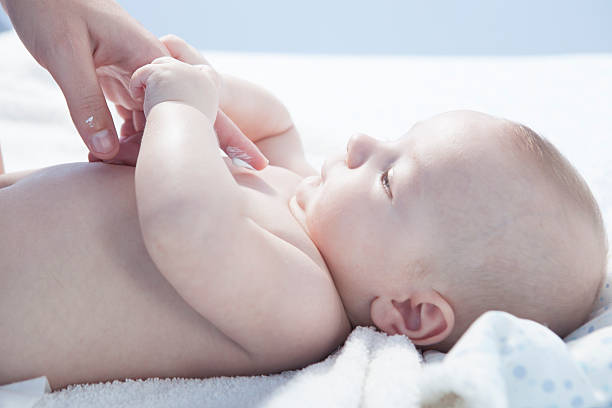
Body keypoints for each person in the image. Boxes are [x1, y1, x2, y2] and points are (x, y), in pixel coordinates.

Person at [0, 35, 607, 391]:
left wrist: (179, 115)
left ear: (410, 312)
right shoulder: (302, 200)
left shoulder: (302, 307)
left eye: (391, 178)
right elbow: (273, 125)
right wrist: (205, 87)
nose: (361, 144)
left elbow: (183, 221)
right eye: (396, 136)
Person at [0, 0, 267, 169]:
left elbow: (185, 226)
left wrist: (180, 110)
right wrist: (214, 89)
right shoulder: (293, 185)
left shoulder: (288, 252)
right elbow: (274, 130)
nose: (311, 181)